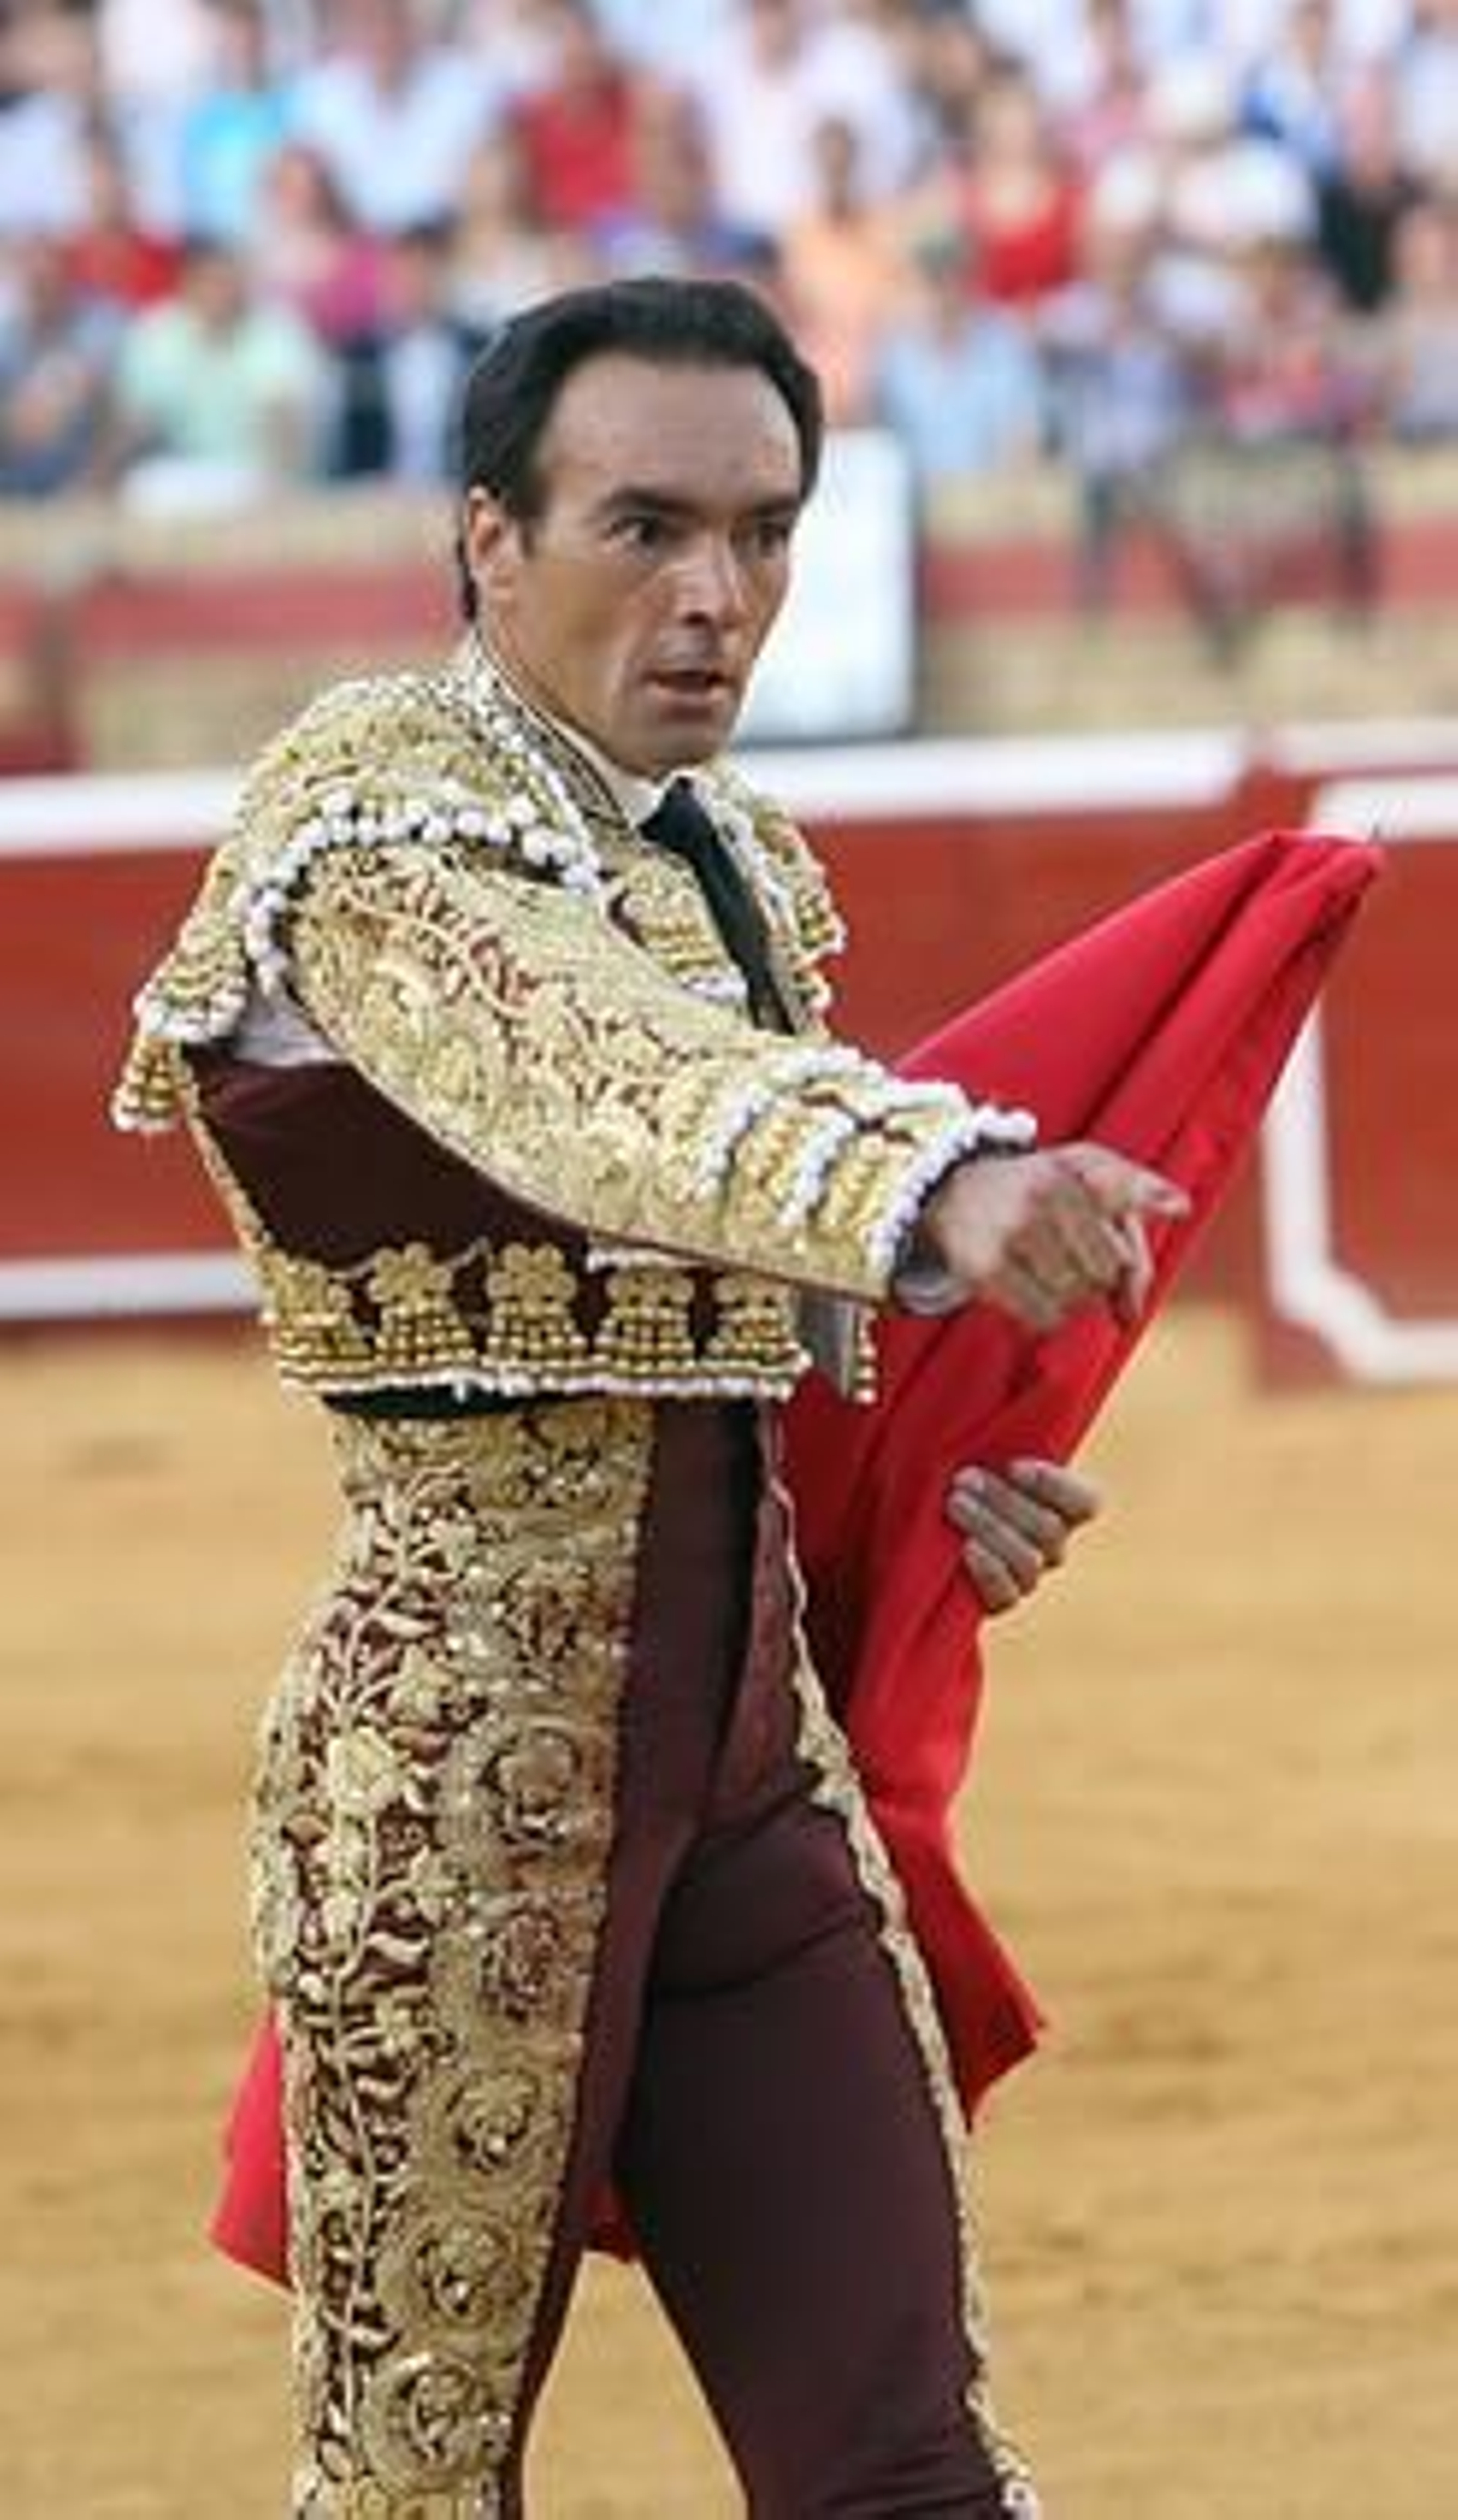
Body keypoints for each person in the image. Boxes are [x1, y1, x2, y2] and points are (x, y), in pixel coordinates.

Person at [114, 274, 1186, 2517]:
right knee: (413, 2490)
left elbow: (745, 1348)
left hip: (746, 1776)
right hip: (463, 1789)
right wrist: (929, 1176)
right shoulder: (370, 823)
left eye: (764, 534)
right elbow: (608, 1089)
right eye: (645, 528)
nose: (717, 599)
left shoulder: (734, 864)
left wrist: (927, 1495)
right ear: (486, 536)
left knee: (900, 2469)